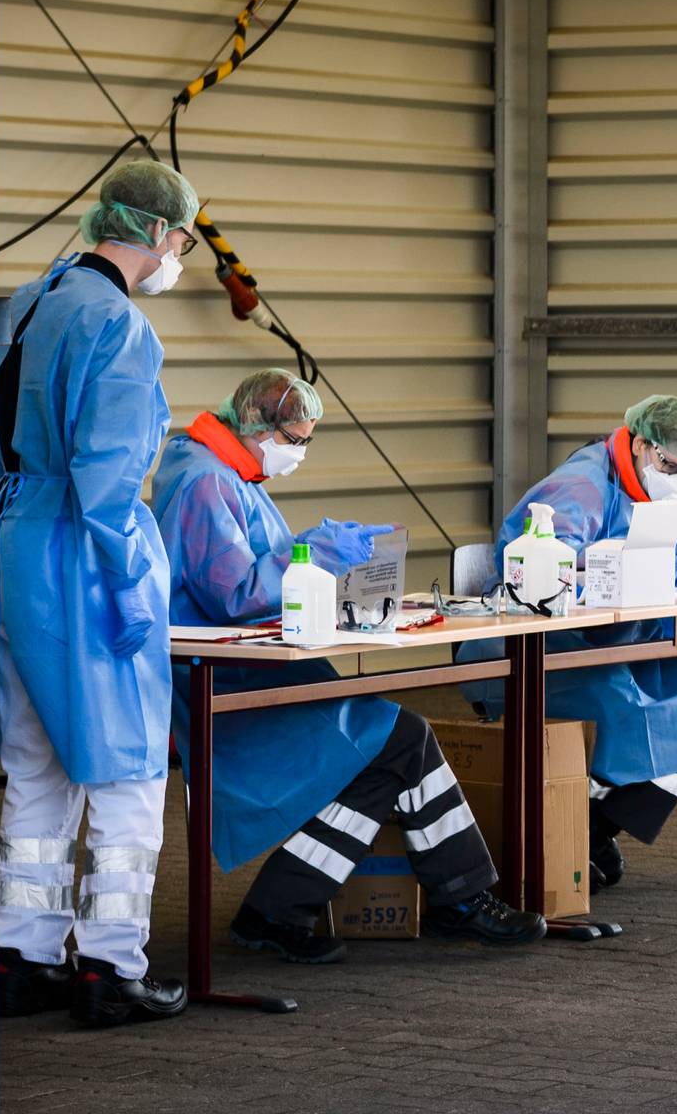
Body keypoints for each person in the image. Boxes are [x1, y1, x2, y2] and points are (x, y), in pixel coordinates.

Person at [152, 369, 547, 964]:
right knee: (401, 741)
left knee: (396, 748)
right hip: (226, 681)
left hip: (250, 668)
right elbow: (236, 592)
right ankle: (456, 898)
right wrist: (313, 554)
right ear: (258, 426)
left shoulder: (224, 469)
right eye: (296, 439)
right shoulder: (206, 481)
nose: (300, 452)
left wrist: (319, 572)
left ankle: (289, 910)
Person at [0, 160, 201, 1026]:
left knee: (34, 766)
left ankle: (22, 954)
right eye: (184, 237)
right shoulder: (119, 327)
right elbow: (109, 483)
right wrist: (135, 594)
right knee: (126, 770)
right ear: (155, 233)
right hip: (83, 558)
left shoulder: (32, 302)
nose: (180, 253)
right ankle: (111, 968)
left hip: (13, 548)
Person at [462, 395, 677, 890]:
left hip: (627, 637)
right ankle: (572, 831)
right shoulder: (584, 484)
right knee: (627, 707)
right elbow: (541, 563)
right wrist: (612, 571)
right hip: (546, 644)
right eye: (674, 468)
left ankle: (595, 827)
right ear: (641, 444)